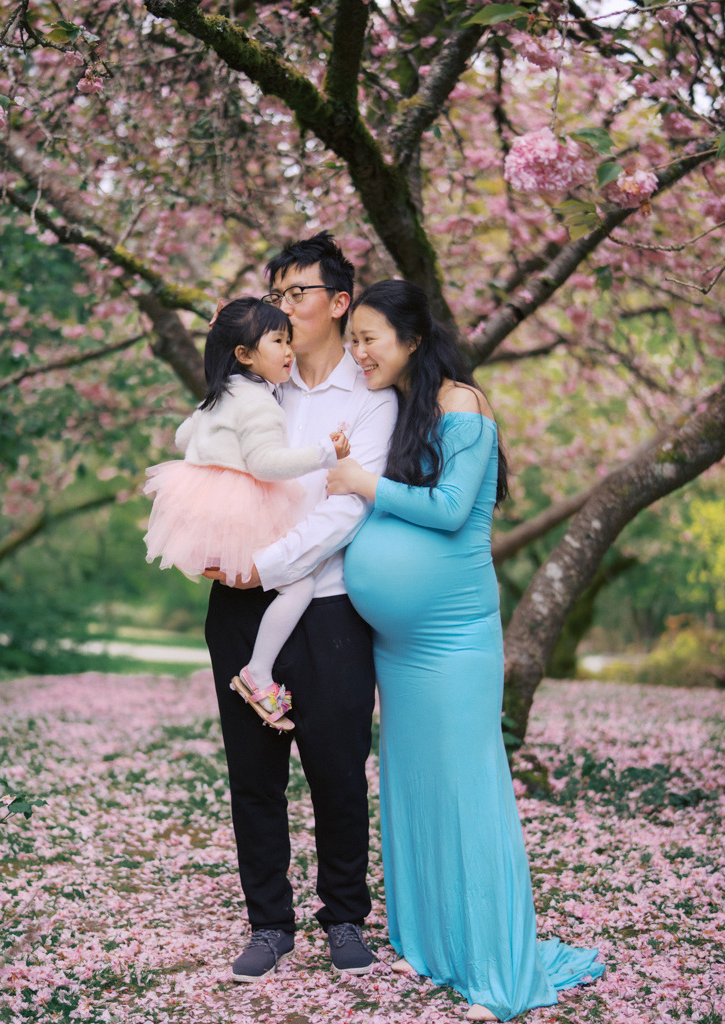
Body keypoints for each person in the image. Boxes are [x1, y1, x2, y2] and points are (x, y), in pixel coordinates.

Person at [327, 280, 605, 1021]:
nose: (357, 353)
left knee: (466, 793)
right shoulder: (401, 410)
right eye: (351, 340)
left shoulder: (462, 405)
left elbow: (452, 511)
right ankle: (439, 945)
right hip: (400, 647)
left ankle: (497, 970)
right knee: (415, 788)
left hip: (452, 641)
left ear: (413, 339)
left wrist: (364, 483)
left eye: (368, 339)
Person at [202, 234, 398, 980]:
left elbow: (347, 507)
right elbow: (209, 466)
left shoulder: (372, 398)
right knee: (253, 772)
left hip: (330, 605)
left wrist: (267, 565)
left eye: (296, 294)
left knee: (338, 769)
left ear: (339, 303)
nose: (282, 308)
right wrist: (217, 550)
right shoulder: (252, 385)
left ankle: (344, 917)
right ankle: (268, 924)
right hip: (238, 603)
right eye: (274, 295)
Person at [143, 298, 350, 730]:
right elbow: (265, 465)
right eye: (278, 341)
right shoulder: (259, 402)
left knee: (262, 582)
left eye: (289, 340)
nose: (289, 351)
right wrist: (323, 454)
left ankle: (258, 670)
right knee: (300, 585)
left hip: (206, 508)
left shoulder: (221, 393)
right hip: (240, 510)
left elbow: (183, 438)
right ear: (244, 354)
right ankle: (258, 671)